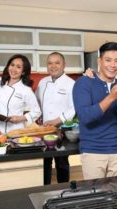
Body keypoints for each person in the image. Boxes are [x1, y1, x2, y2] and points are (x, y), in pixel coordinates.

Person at [73, 42, 117, 180]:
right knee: (96, 197)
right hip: (93, 152)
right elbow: (84, 117)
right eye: (108, 60)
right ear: (99, 61)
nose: (113, 65)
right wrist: (111, 97)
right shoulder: (84, 83)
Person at [36, 52, 75, 185]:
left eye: (57, 63)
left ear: (64, 65)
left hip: (62, 129)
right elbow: (37, 102)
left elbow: (74, 108)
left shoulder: (71, 84)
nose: (53, 66)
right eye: (50, 63)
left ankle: (63, 190)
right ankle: (43, 189)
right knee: (44, 162)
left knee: (62, 162)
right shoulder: (43, 82)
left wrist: (57, 121)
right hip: (44, 130)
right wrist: (38, 116)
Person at [0, 54, 41, 134]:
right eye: (12, 65)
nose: (14, 69)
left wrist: (20, 118)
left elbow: (37, 111)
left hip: (16, 130)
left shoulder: (26, 90)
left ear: (23, 72)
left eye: (18, 67)